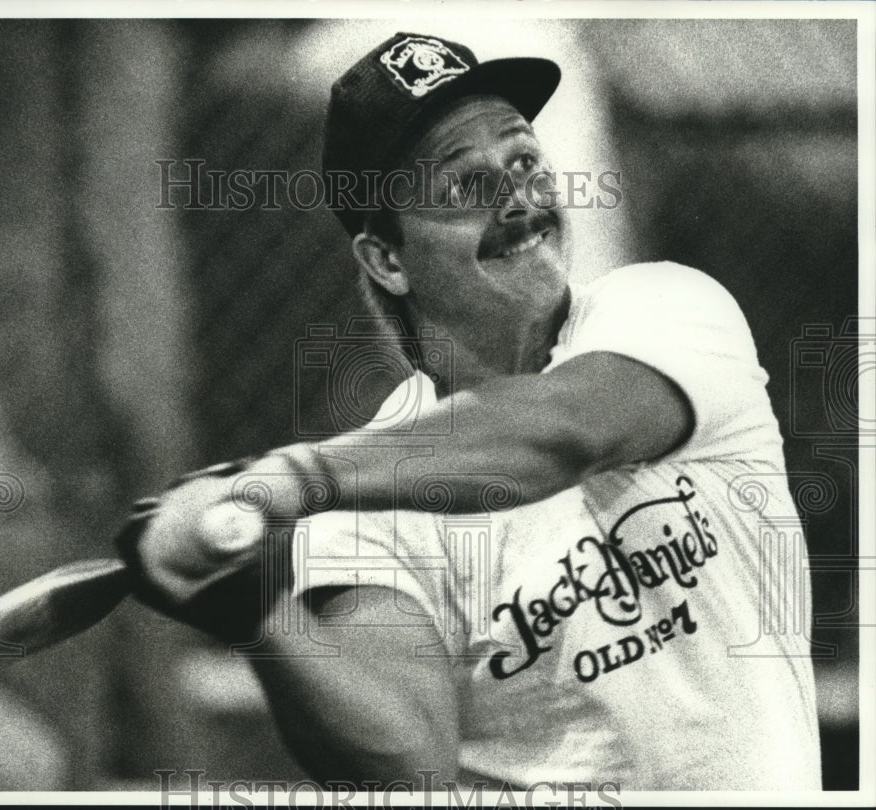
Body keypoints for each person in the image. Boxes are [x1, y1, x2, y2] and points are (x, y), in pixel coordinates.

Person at [125, 32, 822, 791]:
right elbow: (406, 762)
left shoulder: (666, 310)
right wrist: (258, 615)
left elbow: (559, 435)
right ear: (387, 260)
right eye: (463, 185)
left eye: (523, 161)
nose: (516, 195)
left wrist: (288, 477)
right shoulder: (365, 497)